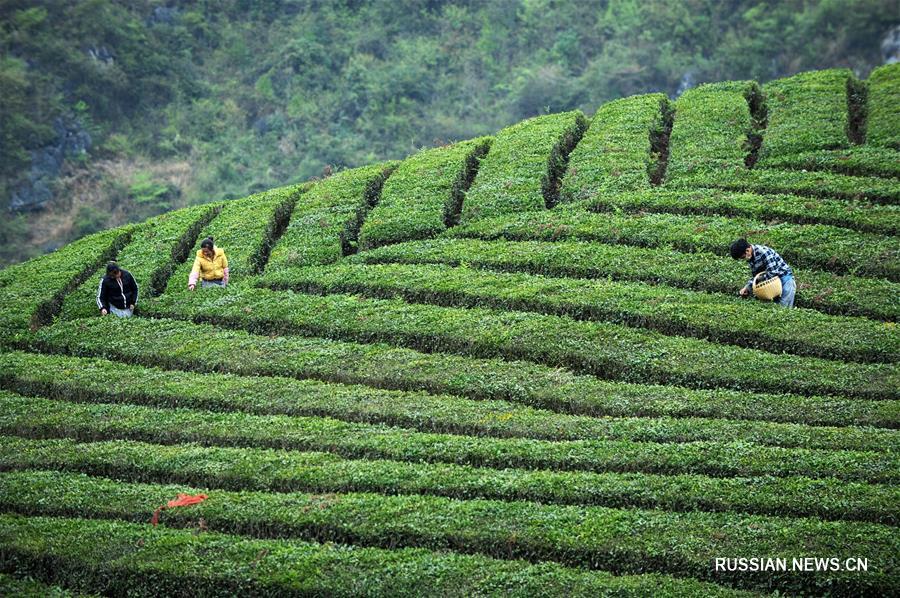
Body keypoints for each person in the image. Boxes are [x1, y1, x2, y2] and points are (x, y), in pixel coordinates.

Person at [730, 238, 796, 308]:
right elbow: (756, 276)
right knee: (775, 310)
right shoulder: (750, 257)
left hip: (784, 280)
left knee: (784, 308)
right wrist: (747, 287)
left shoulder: (764, 252)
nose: (743, 259)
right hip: (772, 284)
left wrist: (760, 278)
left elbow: (773, 272)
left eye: (743, 257)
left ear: (747, 250)